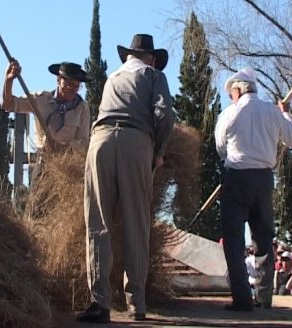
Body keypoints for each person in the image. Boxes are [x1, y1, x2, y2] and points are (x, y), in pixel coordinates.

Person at [76, 34, 174, 323]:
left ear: (128, 55)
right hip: (136, 141)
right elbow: (165, 114)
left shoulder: (112, 78)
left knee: (98, 224)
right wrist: (159, 150)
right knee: (136, 224)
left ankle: (99, 303)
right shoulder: (154, 75)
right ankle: (137, 304)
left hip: (101, 140)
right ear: (152, 58)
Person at [215, 66, 292, 311]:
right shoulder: (273, 112)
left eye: (232, 92)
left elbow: (220, 147)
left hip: (236, 177)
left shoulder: (229, 115)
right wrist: (285, 114)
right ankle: (264, 298)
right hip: (263, 180)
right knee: (263, 238)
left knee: (233, 240)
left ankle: (242, 299)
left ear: (239, 90)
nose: (231, 96)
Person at [2, 60, 92, 218]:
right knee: (36, 211)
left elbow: (84, 143)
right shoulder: (40, 100)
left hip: (69, 170)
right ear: (58, 80)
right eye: (68, 84)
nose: (72, 89)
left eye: (77, 86)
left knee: (66, 215)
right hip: (44, 164)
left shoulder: (83, 108)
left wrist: (63, 148)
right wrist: (8, 80)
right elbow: (9, 105)